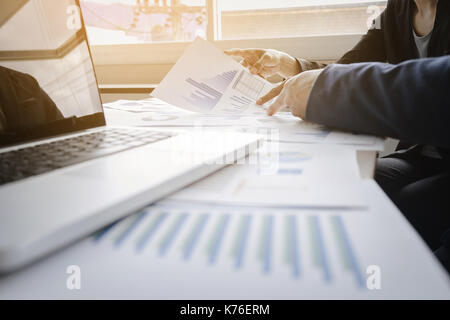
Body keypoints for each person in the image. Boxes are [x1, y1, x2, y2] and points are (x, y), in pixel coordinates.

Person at [226, 0, 450, 255]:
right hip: (418, 154)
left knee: (407, 205)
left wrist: (327, 87)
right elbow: (349, 68)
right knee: (346, 185)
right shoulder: (397, 10)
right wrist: (291, 65)